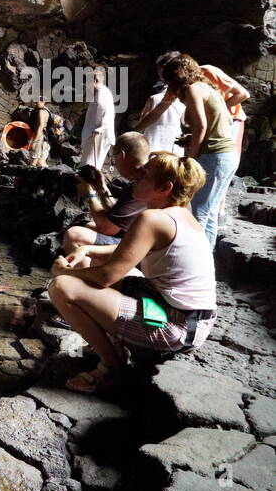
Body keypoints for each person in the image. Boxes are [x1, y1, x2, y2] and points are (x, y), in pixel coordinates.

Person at [48, 152, 217, 392]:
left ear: (164, 188)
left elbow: (107, 276)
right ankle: (114, 345)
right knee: (97, 268)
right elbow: (128, 250)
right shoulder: (180, 213)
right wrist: (87, 249)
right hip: (194, 321)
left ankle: (112, 370)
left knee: (62, 288)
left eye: (144, 175)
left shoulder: (153, 218)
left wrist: (64, 272)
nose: (134, 180)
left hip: (177, 326)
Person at [156, 55, 237, 248]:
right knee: (209, 211)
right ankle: (207, 260)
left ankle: (195, 260)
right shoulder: (209, 88)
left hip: (214, 155)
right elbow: (222, 121)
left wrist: (189, 160)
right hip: (227, 155)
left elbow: (200, 126)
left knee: (199, 210)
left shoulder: (193, 90)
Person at [62, 132, 150, 260]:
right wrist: (101, 187)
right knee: (88, 226)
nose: (114, 162)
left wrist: (90, 195)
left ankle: (84, 277)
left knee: (74, 235)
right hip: (141, 238)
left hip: (144, 249)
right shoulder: (144, 176)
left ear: (122, 155)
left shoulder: (141, 185)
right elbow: (118, 216)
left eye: (114, 157)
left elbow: (107, 228)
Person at [78, 64, 116, 172]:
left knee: (88, 165)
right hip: (95, 132)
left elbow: (107, 111)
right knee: (92, 164)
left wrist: (101, 127)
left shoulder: (102, 93)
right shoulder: (101, 92)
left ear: (94, 81)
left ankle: (89, 187)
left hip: (98, 133)